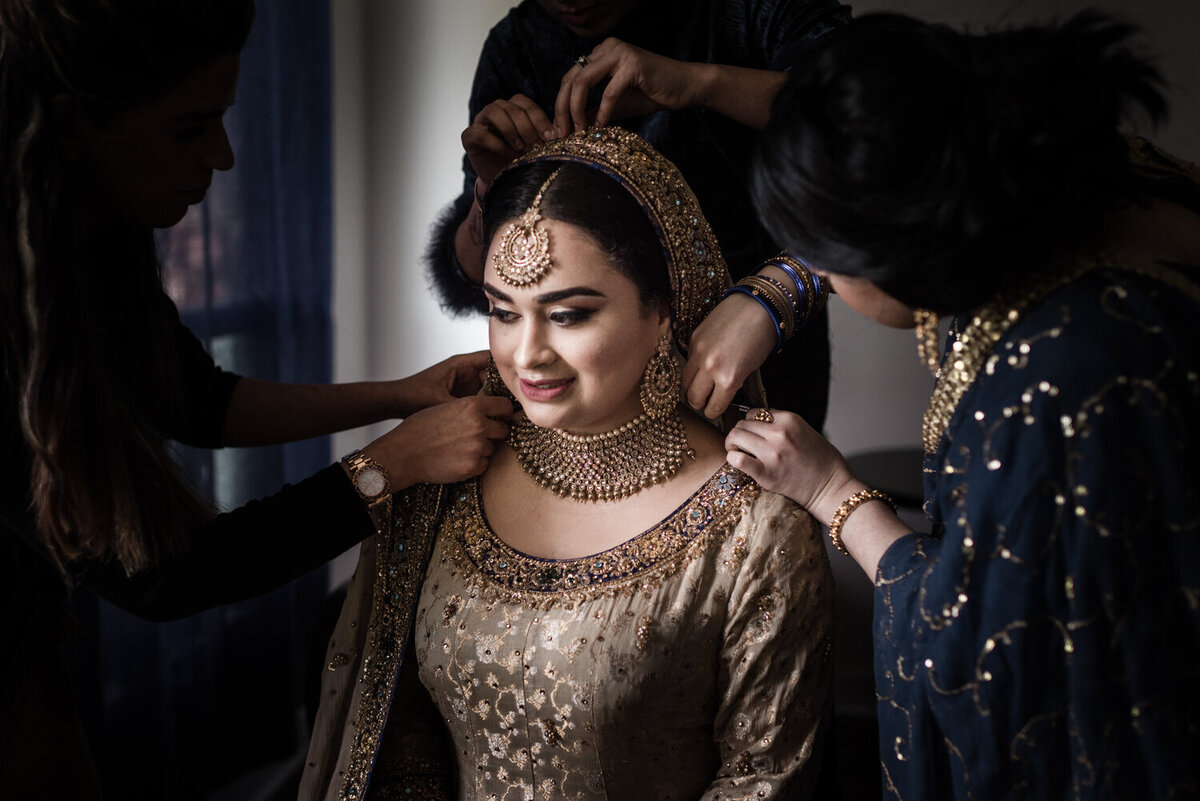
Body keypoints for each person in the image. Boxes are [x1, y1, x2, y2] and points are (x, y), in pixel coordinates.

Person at [0, 2, 511, 797]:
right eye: (188, 128)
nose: (225, 156)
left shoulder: (99, 226)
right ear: (74, 127)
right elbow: (169, 576)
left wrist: (402, 394)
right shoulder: (17, 312)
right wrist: (389, 466)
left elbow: (198, 400)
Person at [685, 12, 1200, 799]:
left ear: (898, 252)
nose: (820, 277)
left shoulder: (1058, 386)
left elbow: (982, 678)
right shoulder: (1080, 180)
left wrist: (831, 491)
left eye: (822, 259)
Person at [300, 127, 834, 801]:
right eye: (502, 311)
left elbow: (763, 781)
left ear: (664, 310)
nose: (526, 354)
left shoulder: (754, 527)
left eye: (569, 315)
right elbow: (400, 728)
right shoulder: (450, 464)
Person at [425, 0, 852, 431]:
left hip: (754, 354)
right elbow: (470, 274)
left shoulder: (752, 10)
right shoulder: (515, 46)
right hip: (569, 406)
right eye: (505, 314)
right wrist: (492, 190)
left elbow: (872, 135)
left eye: (569, 314)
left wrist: (702, 82)